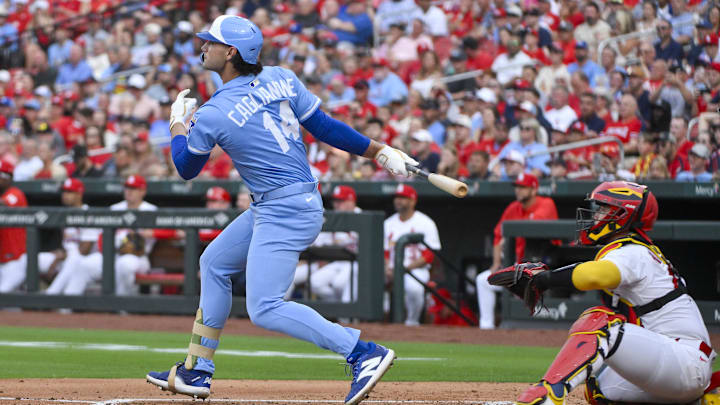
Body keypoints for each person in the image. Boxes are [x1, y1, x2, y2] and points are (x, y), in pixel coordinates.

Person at [145, 15, 416, 404]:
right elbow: (323, 126)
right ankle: (197, 370)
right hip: (284, 202)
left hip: (284, 209)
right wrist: (379, 151)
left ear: (231, 52)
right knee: (214, 263)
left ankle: (362, 352)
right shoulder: (280, 76)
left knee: (265, 307)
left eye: (211, 42)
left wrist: (176, 123)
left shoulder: (214, 111)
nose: (203, 47)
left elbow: (186, 168)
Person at [491, 181, 716, 405]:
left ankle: (546, 397)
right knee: (601, 387)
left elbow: (595, 276)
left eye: (603, 209)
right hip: (678, 364)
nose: (595, 215)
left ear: (622, 215)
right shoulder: (633, 250)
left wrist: (545, 279)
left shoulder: (634, 251)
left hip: (684, 361)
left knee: (601, 320)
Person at [475, 173, 557, 329]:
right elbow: (498, 235)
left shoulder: (546, 203)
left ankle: (526, 333)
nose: (518, 191)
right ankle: (486, 329)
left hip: (541, 266)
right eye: (517, 187)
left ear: (534, 190)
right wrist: (496, 263)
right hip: (517, 265)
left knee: (520, 288)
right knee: (483, 280)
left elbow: (532, 228)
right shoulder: (514, 208)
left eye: (523, 187)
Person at [384, 184, 441, 326]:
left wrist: (405, 268)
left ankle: (412, 322)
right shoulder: (388, 223)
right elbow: (383, 251)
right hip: (389, 269)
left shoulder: (425, 222)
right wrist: (387, 268)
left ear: (413, 201)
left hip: (415, 268)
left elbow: (429, 255)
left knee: (414, 289)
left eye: (403, 198)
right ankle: (377, 324)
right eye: (397, 197)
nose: (398, 201)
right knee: (369, 283)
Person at [43, 178, 101, 295]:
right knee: (26, 259)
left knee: (74, 257)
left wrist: (61, 256)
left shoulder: (88, 214)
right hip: (66, 258)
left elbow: (85, 250)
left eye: (70, 192)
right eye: (64, 192)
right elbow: (67, 244)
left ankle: (51, 294)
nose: (65, 195)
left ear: (79, 194)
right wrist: (59, 254)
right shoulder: (64, 213)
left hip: (86, 260)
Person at [0, 160, 28, 293]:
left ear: (9, 177)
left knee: (4, 295)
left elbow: (3, 203)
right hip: (2, 260)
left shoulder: (15, 194)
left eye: (1, 175)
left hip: (16, 261)